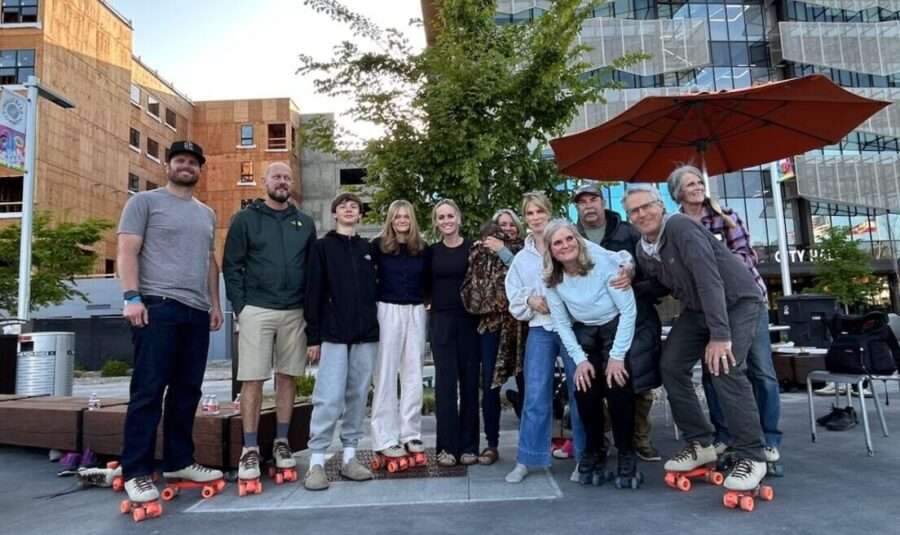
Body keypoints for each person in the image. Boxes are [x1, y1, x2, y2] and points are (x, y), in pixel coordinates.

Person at [624, 185, 768, 492]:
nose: (642, 214)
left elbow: (708, 278)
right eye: (634, 211)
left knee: (725, 367)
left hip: (736, 300)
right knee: (672, 365)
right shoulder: (643, 249)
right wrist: (629, 280)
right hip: (698, 308)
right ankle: (701, 443)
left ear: (660, 206)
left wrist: (720, 335)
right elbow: (663, 285)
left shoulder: (680, 226)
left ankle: (752, 455)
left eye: (647, 206)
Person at [117, 140, 224, 505]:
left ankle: (179, 461)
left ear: (199, 170)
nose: (186, 166)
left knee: (186, 391)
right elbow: (127, 250)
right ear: (168, 166)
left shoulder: (207, 213)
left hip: (196, 311)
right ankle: (136, 470)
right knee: (148, 390)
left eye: (193, 162)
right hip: (157, 306)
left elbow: (210, 260)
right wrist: (131, 296)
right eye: (180, 160)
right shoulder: (143, 203)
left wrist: (215, 304)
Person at [667, 165, 782, 464]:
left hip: (745, 300)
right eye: (690, 184)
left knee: (760, 370)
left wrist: (711, 261)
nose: (697, 187)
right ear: (678, 193)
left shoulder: (724, 216)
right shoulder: (675, 227)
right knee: (713, 369)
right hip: (709, 307)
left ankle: (768, 439)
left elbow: (745, 257)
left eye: (698, 182)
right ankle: (725, 435)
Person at [222, 161, 316, 484]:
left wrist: (309, 310)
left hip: (295, 311)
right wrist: (241, 308)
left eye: (287, 177)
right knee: (252, 379)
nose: (282, 181)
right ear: (264, 182)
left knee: (288, 378)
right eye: (276, 176)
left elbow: (312, 269)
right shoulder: (245, 220)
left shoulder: (304, 223)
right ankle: (249, 449)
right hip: (256, 310)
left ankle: (281, 442)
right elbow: (231, 266)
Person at [542, 219, 640, 486]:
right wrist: (580, 360)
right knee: (585, 390)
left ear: (578, 240)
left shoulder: (604, 265)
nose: (565, 246)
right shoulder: (552, 279)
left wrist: (617, 356)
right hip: (584, 332)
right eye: (557, 243)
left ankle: (626, 452)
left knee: (618, 388)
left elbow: (629, 311)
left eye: (569, 239)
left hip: (613, 326)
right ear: (551, 250)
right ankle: (594, 450)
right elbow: (561, 323)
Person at [573, 184, 665, 462]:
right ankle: (600, 437)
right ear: (577, 207)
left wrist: (634, 283)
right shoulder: (571, 238)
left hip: (635, 319)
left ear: (603, 202)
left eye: (593, 199)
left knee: (639, 379)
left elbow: (656, 273)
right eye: (582, 202)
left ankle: (639, 437)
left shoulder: (630, 232)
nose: (588, 205)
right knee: (595, 383)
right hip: (591, 324)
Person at [503, 192, 585, 483]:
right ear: (525, 218)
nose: (535, 217)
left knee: (580, 392)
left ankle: (584, 457)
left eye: (540, 211)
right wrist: (529, 301)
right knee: (535, 394)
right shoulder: (522, 259)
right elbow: (513, 292)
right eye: (530, 213)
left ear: (549, 213)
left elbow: (592, 270)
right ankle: (528, 457)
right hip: (541, 328)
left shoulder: (567, 243)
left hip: (572, 328)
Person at [303, 192, 379, 490]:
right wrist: (313, 336)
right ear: (334, 214)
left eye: (355, 207)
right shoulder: (322, 248)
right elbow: (313, 292)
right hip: (333, 335)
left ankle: (349, 458)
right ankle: (317, 463)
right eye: (343, 206)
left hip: (365, 336)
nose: (349, 210)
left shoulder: (368, 249)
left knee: (357, 397)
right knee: (329, 398)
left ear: (360, 215)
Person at [461, 213, 526, 465]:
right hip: (489, 324)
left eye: (512, 224)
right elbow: (474, 286)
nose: (507, 228)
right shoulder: (478, 252)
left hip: (521, 325)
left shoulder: (525, 251)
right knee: (490, 384)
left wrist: (503, 252)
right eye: (502, 224)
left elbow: (526, 276)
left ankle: (531, 442)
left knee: (526, 382)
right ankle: (491, 443)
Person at [370, 200, 429, 464]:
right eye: (397, 216)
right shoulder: (378, 246)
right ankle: (385, 437)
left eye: (406, 216)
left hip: (416, 310)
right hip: (387, 310)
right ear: (391, 220)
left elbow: (430, 279)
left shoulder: (422, 248)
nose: (402, 220)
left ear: (412, 219)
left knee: (414, 373)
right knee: (385, 374)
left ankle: (410, 433)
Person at [430, 199, 480, 467]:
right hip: (441, 322)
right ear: (436, 222)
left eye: (451, 215)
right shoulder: (432, 252)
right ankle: (446, 447)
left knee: (471, 385)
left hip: (470, 322)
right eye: (441, 217)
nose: (447, 220)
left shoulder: (474, 248)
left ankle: (470, 445)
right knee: (445, 387)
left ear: (459, 219)